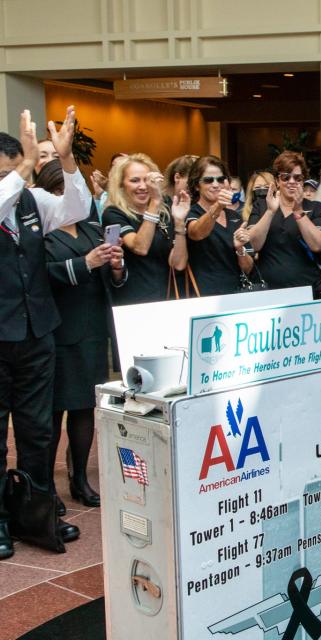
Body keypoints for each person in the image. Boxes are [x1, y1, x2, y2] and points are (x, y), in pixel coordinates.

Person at [0, 107, 87, 559]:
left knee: (37, 431)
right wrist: (25, 168)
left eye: (13, 171)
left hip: (37, 333)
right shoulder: (8, 196)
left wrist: (67, 161)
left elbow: (78, 206)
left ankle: (34, 514)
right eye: (5, 173)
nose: (13, 181)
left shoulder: (31, 202)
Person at [38, 159, 125, 514]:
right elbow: (43, 276)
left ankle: (79, 480)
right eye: (61, 192)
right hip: (59, 329)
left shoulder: (92, 227)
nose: (68, 199)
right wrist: (84, 264)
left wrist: (116, 266)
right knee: (55, 411)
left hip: (93, 329)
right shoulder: (42, 230)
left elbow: (111, 279)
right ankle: (45, 484)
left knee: (84, 408)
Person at [102, 153, 189, 304]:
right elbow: (140, 247)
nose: (143, 186)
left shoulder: (165, 209)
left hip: (169, 298)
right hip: (134, 301)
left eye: (148, 180)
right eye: (135, 181)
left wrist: (180, 223)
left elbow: (179, 264)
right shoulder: (114, 213)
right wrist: (155, 202)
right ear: (121, 184)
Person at [247, 151, 321, 293]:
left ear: (303, 181)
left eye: (297, 178)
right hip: (267, 289)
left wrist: (299, 212)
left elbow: (318, 245)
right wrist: (270, 212)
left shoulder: (315, 207)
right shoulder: (262, 205)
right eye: (286, 177)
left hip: (305, 287)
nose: (292, 182)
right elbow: (253, 245)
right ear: (278, 181)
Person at [184, 156, 254, 295]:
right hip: (204, 295)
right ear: (197, 185)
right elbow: (197, 233)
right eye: (208, 180)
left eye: (220, 179)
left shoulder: (234, 216)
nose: (216, 184)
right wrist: (218, 206)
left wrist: (240, 248)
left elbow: (248, 268)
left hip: (236, 293)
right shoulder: (191, 212)